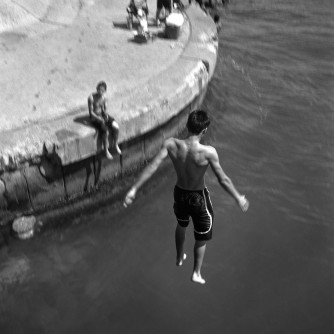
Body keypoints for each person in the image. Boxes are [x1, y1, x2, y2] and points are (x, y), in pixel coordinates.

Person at [123, 109, 249, 284]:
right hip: (198, 198)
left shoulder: (171, 144)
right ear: (204, 131)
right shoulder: (208, 152)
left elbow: (152, 167)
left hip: (180, 194)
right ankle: (196, 272)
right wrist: (238, 197)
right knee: (201, 236)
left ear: (187, 125)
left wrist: (134, 189)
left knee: (181, 225)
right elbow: (223, 179)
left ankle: (179, 255)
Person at [88, 81, 122, 160]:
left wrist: (105, 114)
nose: (100, 92)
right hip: (94, 117)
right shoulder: (91, 98)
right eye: (99, 89)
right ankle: (106, 151)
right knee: (105, 132)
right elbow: (91, 112)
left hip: (102, 115)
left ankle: (115, 144)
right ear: (96, 89)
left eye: (102, 90)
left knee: (116, 126)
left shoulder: (104, 97)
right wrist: (99, 119)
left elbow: (104, 109)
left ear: (105, 91)